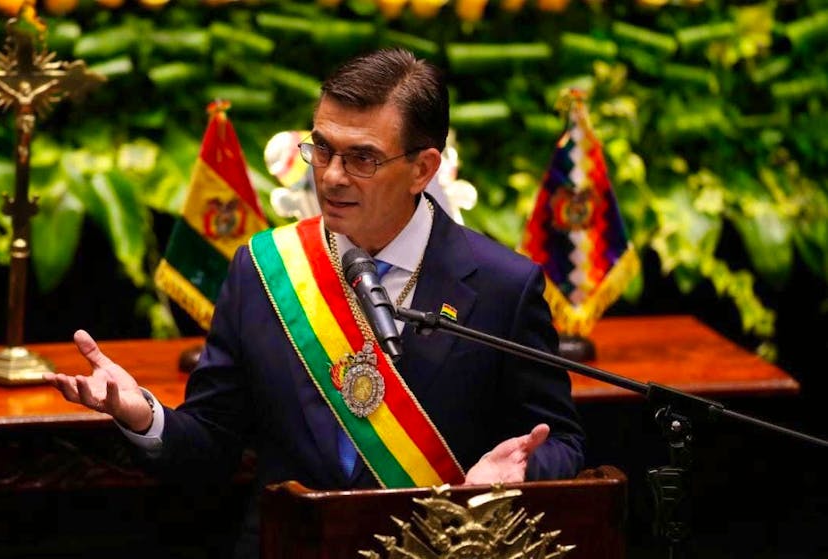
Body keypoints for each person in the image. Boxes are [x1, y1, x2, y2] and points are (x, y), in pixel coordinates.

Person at [44, 47, 584, 557]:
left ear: (423, 169)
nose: (330, 176)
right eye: (321, 148)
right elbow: (211, 442)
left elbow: (559, 440)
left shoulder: (501, 285)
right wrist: (143, 415)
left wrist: (518, 473)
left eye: (362, 159)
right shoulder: (263, 270)